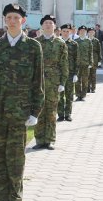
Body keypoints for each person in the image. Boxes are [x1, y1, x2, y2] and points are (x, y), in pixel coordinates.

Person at [0, 3, 44, 201]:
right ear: (4, 21)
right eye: (9, 17)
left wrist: (35, 111)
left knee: (15, 158)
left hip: (20, 114)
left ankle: (15, 200)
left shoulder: (33, 47)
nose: (12, 21)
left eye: (16, 17)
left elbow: (38, 81)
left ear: (23, 20)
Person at [33, 15, 68, 150]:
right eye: (46, 23)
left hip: (54, 82)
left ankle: (50, 139)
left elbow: (64, 64)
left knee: (52, 112)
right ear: (42, 26)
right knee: (39, 110)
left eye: (51, 23)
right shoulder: (36, 42)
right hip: (39, 82)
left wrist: (62, 82)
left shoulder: (60, 43)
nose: (48, 25)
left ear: (54, 26)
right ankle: (39, 139)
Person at [58, 24, 79, 122]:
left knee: (69, 95)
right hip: (58, 73)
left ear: (70, 32)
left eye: (68, 31)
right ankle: (61, 114)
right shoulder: (57, 42)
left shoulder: (74, 44)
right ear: (61, 32)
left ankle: (68, 114)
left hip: (70, 73)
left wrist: (76, 73)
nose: (66, 33)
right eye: (64, 31)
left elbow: (76, 59)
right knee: (60, 95)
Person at [75, 25, 93, 100]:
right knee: (77, 80)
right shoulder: (76, 41)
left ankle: (83, 95)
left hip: (86, 64)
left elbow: (90, 52)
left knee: (85, 80)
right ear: (79, 32)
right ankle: (78, 95)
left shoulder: (88, 41)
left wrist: (91, 62)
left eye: (84, 31)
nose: (83, 32)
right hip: (77, 64)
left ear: (86, 32)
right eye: (81, 31)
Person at [88, 28, 102, 93]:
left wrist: (99, 60)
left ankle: (93, 88)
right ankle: (87, 88)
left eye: (93, 32)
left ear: (94, 33)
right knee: (87, 75)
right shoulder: (86, 40)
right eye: (90, 32)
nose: (91, 33)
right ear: (88, 33)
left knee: (93, 75)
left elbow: (99, 51)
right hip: (87, 59)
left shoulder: (96, 41)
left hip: (94, 59)